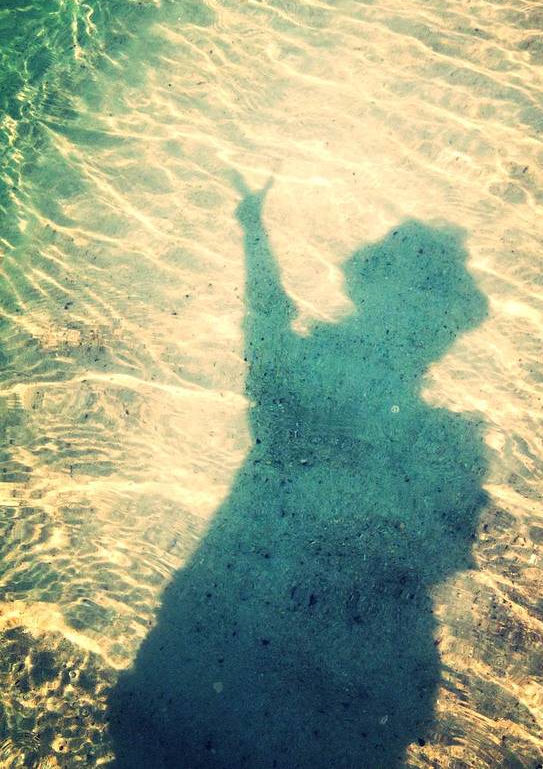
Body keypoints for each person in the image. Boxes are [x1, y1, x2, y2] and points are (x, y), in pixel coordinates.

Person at [109, 174, 489, 769]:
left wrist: (252, 232)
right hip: (331, 649)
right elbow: (438, 559)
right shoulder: (446, 443)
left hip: (234, 605)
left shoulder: (311, 375)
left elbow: (265, 321)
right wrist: (253, 231)